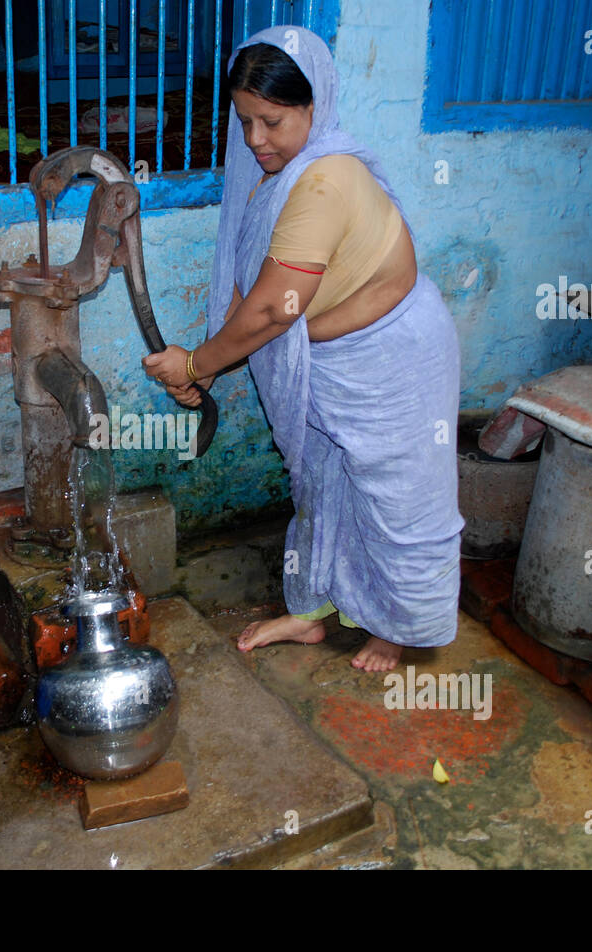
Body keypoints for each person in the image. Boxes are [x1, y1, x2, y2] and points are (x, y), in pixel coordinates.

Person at [142, 25, 463, 672]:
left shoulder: (324, 183)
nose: (256, 139)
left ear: (315, 106)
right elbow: (251, 286)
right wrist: (204, 365)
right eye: (245, 121)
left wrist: (198, 363)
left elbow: (271, 309)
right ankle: (313, 610)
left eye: (273, 121)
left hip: (390, 360)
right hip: (326, 363)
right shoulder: (279, 174)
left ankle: (394, 626)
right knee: (320, 483)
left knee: (399, 499)